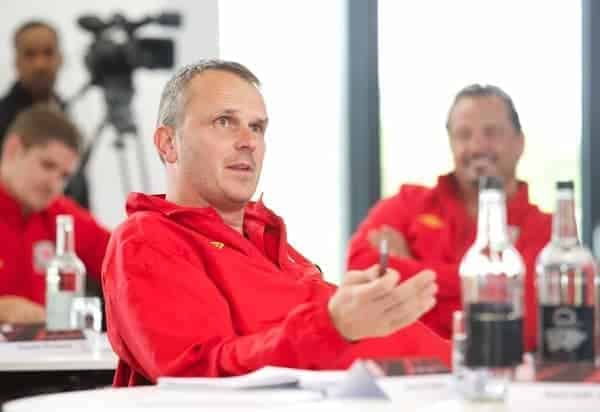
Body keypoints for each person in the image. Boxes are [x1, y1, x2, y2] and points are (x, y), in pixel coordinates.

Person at [102, 59, 451, 387]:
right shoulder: (147, 240)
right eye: (225, 121)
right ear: (168, 144)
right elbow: (197, 374)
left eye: (257, 127)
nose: (248, 142)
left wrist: (466, 363)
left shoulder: (269, 240)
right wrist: (334, 325)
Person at [347, 84, 551, 353]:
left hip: (504, 380)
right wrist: (493, 287)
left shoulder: (546, 230)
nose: (477, 146)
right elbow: (361, 270)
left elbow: (529, 324)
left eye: (491, 133)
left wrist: (409, 273)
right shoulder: (408, 204)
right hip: (409, 380)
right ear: (451, 143)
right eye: (464, 135)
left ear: (519, 142)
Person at [0, 106, 110, 324]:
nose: (54, 185)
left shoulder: (62, 216)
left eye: (64, 176)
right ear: (13, 149)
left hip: (50, 354)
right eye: (47, 165)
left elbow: (126, 260)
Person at [0, 20, 90, 209]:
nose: (40, 64)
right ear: (17, 62)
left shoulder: (65, 112)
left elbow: (77, 186)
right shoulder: (3, 119)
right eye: (30, 55)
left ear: (60, 58)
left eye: (48, 53)